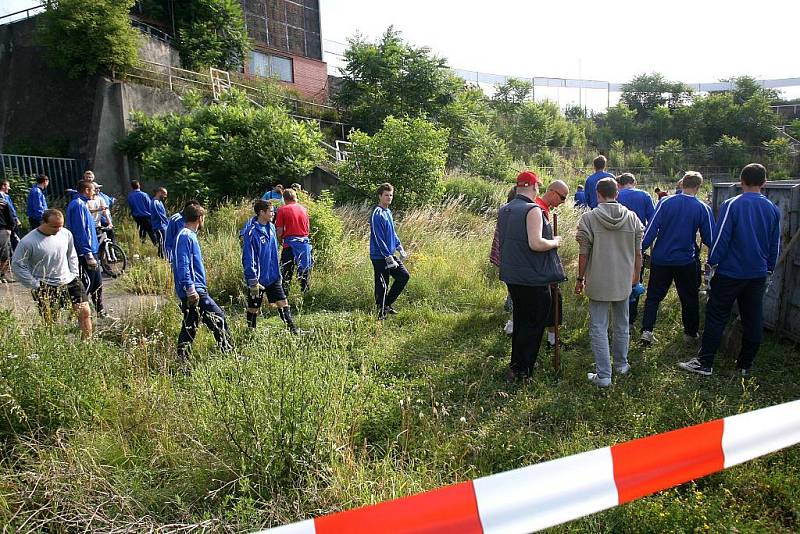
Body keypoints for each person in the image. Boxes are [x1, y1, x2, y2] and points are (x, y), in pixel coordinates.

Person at [679, 163, 781, 377]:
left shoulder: (732, 204)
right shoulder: (773, 209)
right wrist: (769, 269)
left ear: (741, 181)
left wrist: (711, 263)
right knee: (753, 318)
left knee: (717, 315)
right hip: (758, 274)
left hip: (730, 272)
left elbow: (720, 238)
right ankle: (744, 365)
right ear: (764, 183)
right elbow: (775, 245)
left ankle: (705, 363)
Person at [575, 177, 643, 387]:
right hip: (623, 280)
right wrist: (636, 277)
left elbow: (583, 254)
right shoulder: (632, 218)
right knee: (622, 324)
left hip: (598, 281)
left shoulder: (589, 218)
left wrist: (580, 279)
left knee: (598, 327)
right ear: (617, 193)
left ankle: (604, 375)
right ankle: (621, 365)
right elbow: (639, 253)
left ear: (598, 194)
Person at [498, 171, 566, 380]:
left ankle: (516, 364)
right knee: (534, 323)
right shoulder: (533, 209)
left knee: (520, 320)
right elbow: (535, 243)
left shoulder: (505, 209)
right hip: (533, 278)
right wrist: (556, 241)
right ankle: (523, 370)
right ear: (535, 187)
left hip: (512, 275)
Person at [640, 171, 715, 345]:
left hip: (661, 258)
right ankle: (690, 334)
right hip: (686, 260)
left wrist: (641, 248)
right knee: (689, 298)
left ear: (682, 184)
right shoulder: (702, 208)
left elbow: (651, 229)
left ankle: (647, 330)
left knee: (653, 297)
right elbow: (710, 237)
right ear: (698, 187)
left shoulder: (665, 202)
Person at [11, 209, 92, 338]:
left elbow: (71, 255)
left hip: (69, 280)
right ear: (43, 223)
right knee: (51, 320)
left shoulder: (66, 234)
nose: (58, 229)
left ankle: (88, 344)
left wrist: (74, 273)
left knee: (84, 312)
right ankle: (54, 346)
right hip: (45, 284)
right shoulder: (28, 242)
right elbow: (17, 265)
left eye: (61, 225)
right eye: (54, 226)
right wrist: (35, 284)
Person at [172, 203, 232, 366]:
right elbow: (183, 264)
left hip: (193, 290)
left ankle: (182, 361)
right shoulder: (186, 236)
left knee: (189, 326)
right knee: (219, 318)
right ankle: (230, 354)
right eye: (203, 217)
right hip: (195, 291)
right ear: (199, 218)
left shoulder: (186, 235)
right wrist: (190, 288)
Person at [242, 200, 299, 333]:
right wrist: (252, 280)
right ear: (261, 212)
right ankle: (250, 332)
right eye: (271, 211)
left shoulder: (272, 227)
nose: (274, 213)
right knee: (253, 308)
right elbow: (248, 258)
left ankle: (293, 330)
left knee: (283, 302)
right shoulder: (251, 232)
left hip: (273, 276)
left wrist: (277, 273)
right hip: (258, 280)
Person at [616, 172, 656, 325]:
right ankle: (631, 317)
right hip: (637, 241)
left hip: (618, 242)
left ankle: (619, 311)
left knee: (618, 276)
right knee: (635, 276)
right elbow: (652, 219)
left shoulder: (617, 194)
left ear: (621, 183)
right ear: (634, 182)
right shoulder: (645, 196)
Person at [65, 180, 109, 318]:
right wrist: (87, 253)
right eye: (93, 190)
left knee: (97, 282)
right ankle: (76, 313)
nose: (96, 192)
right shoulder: (78, 205)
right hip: (85, 252)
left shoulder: (81, 204)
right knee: (87, 284)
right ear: (86, 190)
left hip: (91, 250)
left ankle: (100, 311)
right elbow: (80, 230)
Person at [370, 183, 410, 319]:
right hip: (379, 256)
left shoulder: (388, 212)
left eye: (391, 195)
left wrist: (399, 247)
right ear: (380, 196)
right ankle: (380, 314)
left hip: (390, 255)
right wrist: (387, 256)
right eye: (386, 195)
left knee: (403, 276)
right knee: (383, 284)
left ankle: (387, 304)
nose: (389, 197)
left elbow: (392, 233)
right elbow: (378, 237)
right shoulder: (377, 213)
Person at [490, 186, 517, 335]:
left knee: (511, 283)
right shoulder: (512, 211)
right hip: (511, 254)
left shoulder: (504, 210)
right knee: (515, 285)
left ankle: (509, 302)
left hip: (505, 253)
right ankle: (512, 314)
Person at [275, 188, 312, 295]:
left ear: (284, 198)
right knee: (304, 270)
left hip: (289, 245)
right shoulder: (304, 209)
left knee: (286, 271)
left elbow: (279, 230)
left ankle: (284, 296)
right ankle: (305, 294)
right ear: (295, 197)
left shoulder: (282, 210)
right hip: (304, 244)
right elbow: (308, 228)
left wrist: (279, 240)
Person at [0, 180, 21, 252]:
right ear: (3, 186)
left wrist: (15, 218)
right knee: (13, 239)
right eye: (8, 186)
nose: (9, 188)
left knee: (15, 238)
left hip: (12, 220)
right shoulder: (1, 198)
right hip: (6, 223)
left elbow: (11, 208)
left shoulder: (7, 196)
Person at [150, 187, 169, 258]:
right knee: (162, 242)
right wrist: (168, 223)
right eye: (164, 194)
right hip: (158, 226)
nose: (165, 196)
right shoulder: (155, 202)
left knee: (163, 241)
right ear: (159, 192)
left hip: (163, 226)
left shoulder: (160, 202)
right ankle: (162, 257)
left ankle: (162, 256)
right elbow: (160, 215)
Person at [0, 194, 14, 282]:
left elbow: (10, 216)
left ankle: (2, 275)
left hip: (2, 230)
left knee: (4, 254)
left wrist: (9, 228)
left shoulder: (3, 203)